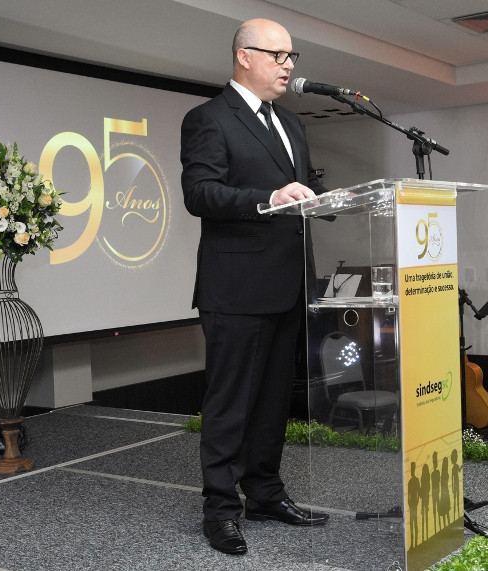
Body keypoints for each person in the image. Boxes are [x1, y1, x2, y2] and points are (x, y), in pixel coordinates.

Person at [180, 17, 330, 555]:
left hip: (288, 285)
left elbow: (306, 186)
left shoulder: (291, 123)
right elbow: (200, 193)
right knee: (231, 405)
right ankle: (221, 509)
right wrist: (268, 198)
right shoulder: (208, 118)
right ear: (244, 56)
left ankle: (264, 493)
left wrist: (327, 197)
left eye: (291, 56)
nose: (288, 66)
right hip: (236, 289)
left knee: (272, 403)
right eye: (278, 55)